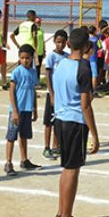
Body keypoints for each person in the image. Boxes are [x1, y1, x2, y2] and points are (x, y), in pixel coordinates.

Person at [52, 27, 100, 217]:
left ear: (69, 44)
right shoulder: (84, 67)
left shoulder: (61, 63)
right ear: (88, 46)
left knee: (66, 168)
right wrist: (95, 135)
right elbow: (85, 104)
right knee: (72, 170)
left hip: (60, 119)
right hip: (75, 122)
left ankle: (61, 212)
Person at [5, 45, 41, 175]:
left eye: (28, 58)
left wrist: (35, 109)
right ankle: (8, 163)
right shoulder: (17, 72)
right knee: (11, 136)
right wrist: (14, 110)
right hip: (17, 110)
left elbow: (33, 90)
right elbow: (12, 91)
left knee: (24, 136)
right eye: (22, 58)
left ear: (32, 58)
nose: (25, 60)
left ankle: (24, 160)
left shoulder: (33, 72)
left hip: (27, 109)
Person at [43, 29, 69, 160]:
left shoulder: (67, 56)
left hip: (62, 95)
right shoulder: (51, 56)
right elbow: (47, 74)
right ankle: (46, 147)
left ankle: (56, 146)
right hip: (52, 94)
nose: (60, 45)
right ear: (54, 42)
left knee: (58, 122)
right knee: (49, 122)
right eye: (58, 42)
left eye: (63, 42)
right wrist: (51, 93)